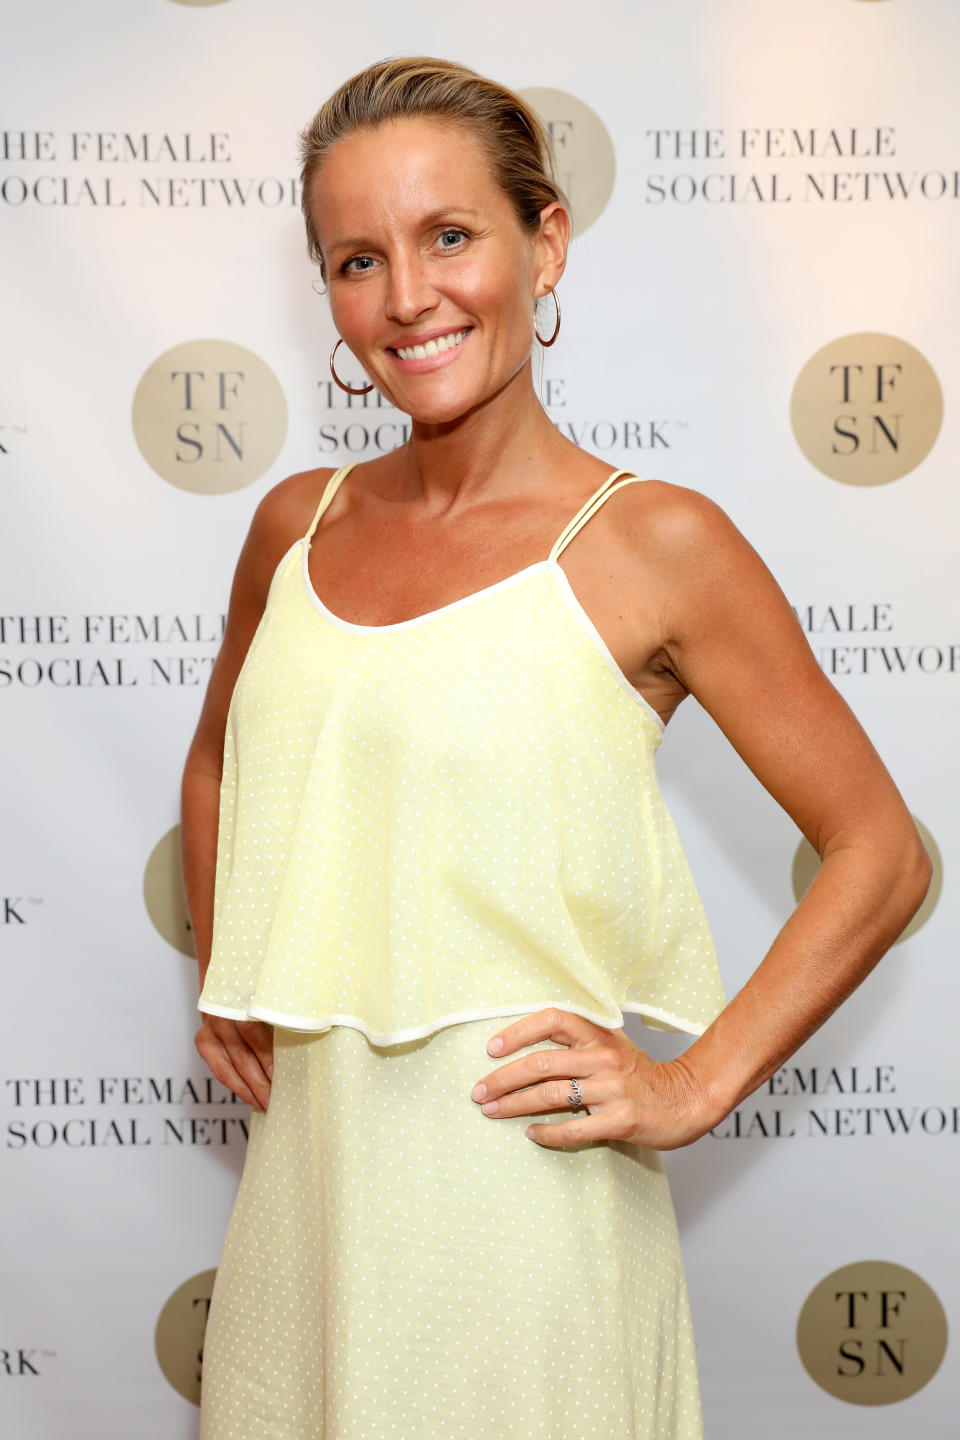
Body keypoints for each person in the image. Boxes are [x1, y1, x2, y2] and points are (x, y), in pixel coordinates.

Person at [179, 55, 931, 1440]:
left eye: (449, 236)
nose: (406, 297)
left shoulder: (656, 544)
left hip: (525, 1210)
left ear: (548, 243)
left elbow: (882, 852)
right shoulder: (294, 525)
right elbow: (222, 759)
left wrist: (693, 1082)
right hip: (306, 1199)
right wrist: (240, 969)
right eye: (357, 259)